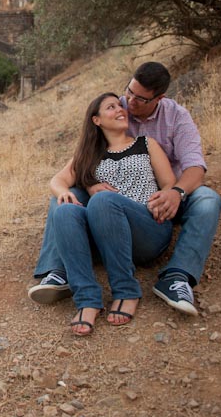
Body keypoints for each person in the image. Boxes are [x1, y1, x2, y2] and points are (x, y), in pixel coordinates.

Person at [28, 62, 221, 316]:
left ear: (158, 98)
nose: (127, 103)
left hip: (158, 202)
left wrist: (174, 192)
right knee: (66, 200)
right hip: (107, 204)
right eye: (127, 92)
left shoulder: (173, 119)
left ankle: (175, 278)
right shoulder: (112, 115)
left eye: (139, 99)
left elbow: (195, 168)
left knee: (208, 199)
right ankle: (59, 272)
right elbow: (71, 168)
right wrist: (89, 183)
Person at [50, 92, 177, 335]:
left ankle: (126, 290)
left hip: (147, 226)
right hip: (106, 236)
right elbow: (58, 180)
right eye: (111, 107)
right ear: (96, 120)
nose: (120, 109)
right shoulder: (89, 156)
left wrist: (165, 199)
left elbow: (169, 184)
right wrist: (63, 192)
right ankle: (87, 299)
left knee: (103, 199)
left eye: (120, 105)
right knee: (64, 210)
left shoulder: (146, 144)